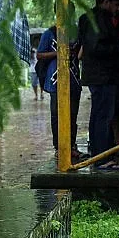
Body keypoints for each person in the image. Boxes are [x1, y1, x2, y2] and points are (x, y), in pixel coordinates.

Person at [77, 0, 119, 169]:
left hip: (98, 75)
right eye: (115, 5)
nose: (117, 9)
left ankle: (99, 154)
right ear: (105, 2)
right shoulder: (98, 20)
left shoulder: (89, 19)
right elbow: (95, 48)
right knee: (102, 116)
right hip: (103, 75)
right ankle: (101, 157)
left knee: (98, 115)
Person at [37, 24, 83, 161]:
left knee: (73, 114)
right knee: (56, 114)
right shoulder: (49, 33)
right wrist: (58, 53)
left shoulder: (75, 32)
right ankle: (59, 147)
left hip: (73, 78)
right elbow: (39, 54)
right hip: (55, 80)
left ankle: (72, 145)